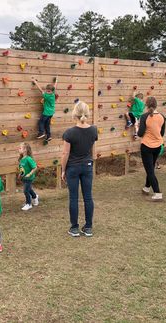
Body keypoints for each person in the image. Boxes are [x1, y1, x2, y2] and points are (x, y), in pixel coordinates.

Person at [61, 101, 98, 237]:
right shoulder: (93, 129)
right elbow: (92, 150)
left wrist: (63, 170)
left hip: (73, 169)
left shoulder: (69, 133)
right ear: (86, 113)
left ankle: (74, 228)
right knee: (88, 197)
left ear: (74, 114)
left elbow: (65, 154)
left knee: (74, 198)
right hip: (87, 166)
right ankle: (88, 228)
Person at [137, 97, 166, 202]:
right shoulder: (162, 116)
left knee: (150, 170)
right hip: (158, 146)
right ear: (156, 105)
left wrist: (138, 128)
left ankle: (158, 193)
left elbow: (140, 133)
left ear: (147, 105)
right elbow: (162, 133)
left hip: (147, 147)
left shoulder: (144, 116)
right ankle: (146, 188)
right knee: (151, 168)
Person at [32, 76, 57, 141]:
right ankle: (48, 136)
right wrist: (56, 81)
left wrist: (35, 82)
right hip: (51, 113)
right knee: (47, 124)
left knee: (41, 122)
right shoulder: (53, 94)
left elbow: (40, 90)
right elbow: (55, 86)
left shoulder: (47, 96)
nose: (47, 92)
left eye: (48, 91)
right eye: (47, 91)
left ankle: (41, 132)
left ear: (51, 91)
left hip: (46, 112)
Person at [18, 142, 39, 211]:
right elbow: (21, 168)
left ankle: (28, 204)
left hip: (29, 178)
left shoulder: (28, 159)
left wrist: (29, 174)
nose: (18, 149)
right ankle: (35, 197)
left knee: (25, 191)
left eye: (20, 148)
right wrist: (20, 174)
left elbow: (35, 167)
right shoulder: (21, 159)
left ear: (25, 150)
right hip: (24, 178)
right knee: (29, 189)